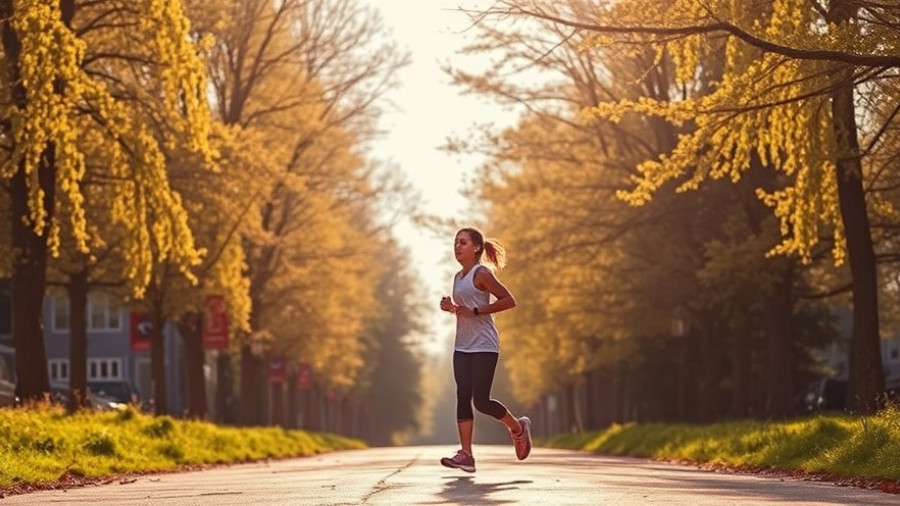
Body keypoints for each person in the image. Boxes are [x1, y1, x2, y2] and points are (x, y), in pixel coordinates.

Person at [439, 227, 532, 473]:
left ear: (476, 248)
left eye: (463, 242)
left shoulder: (482, 273)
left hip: (484, 345)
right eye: (455, 243)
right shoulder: (458, 277)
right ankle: (466, 455)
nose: (457, 247)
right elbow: (465, 308)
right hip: (462, 345)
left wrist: (479, 311)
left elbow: (508, 300)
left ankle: (517, 427)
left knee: (481, 401)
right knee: (462, 396)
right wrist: (452, 307)